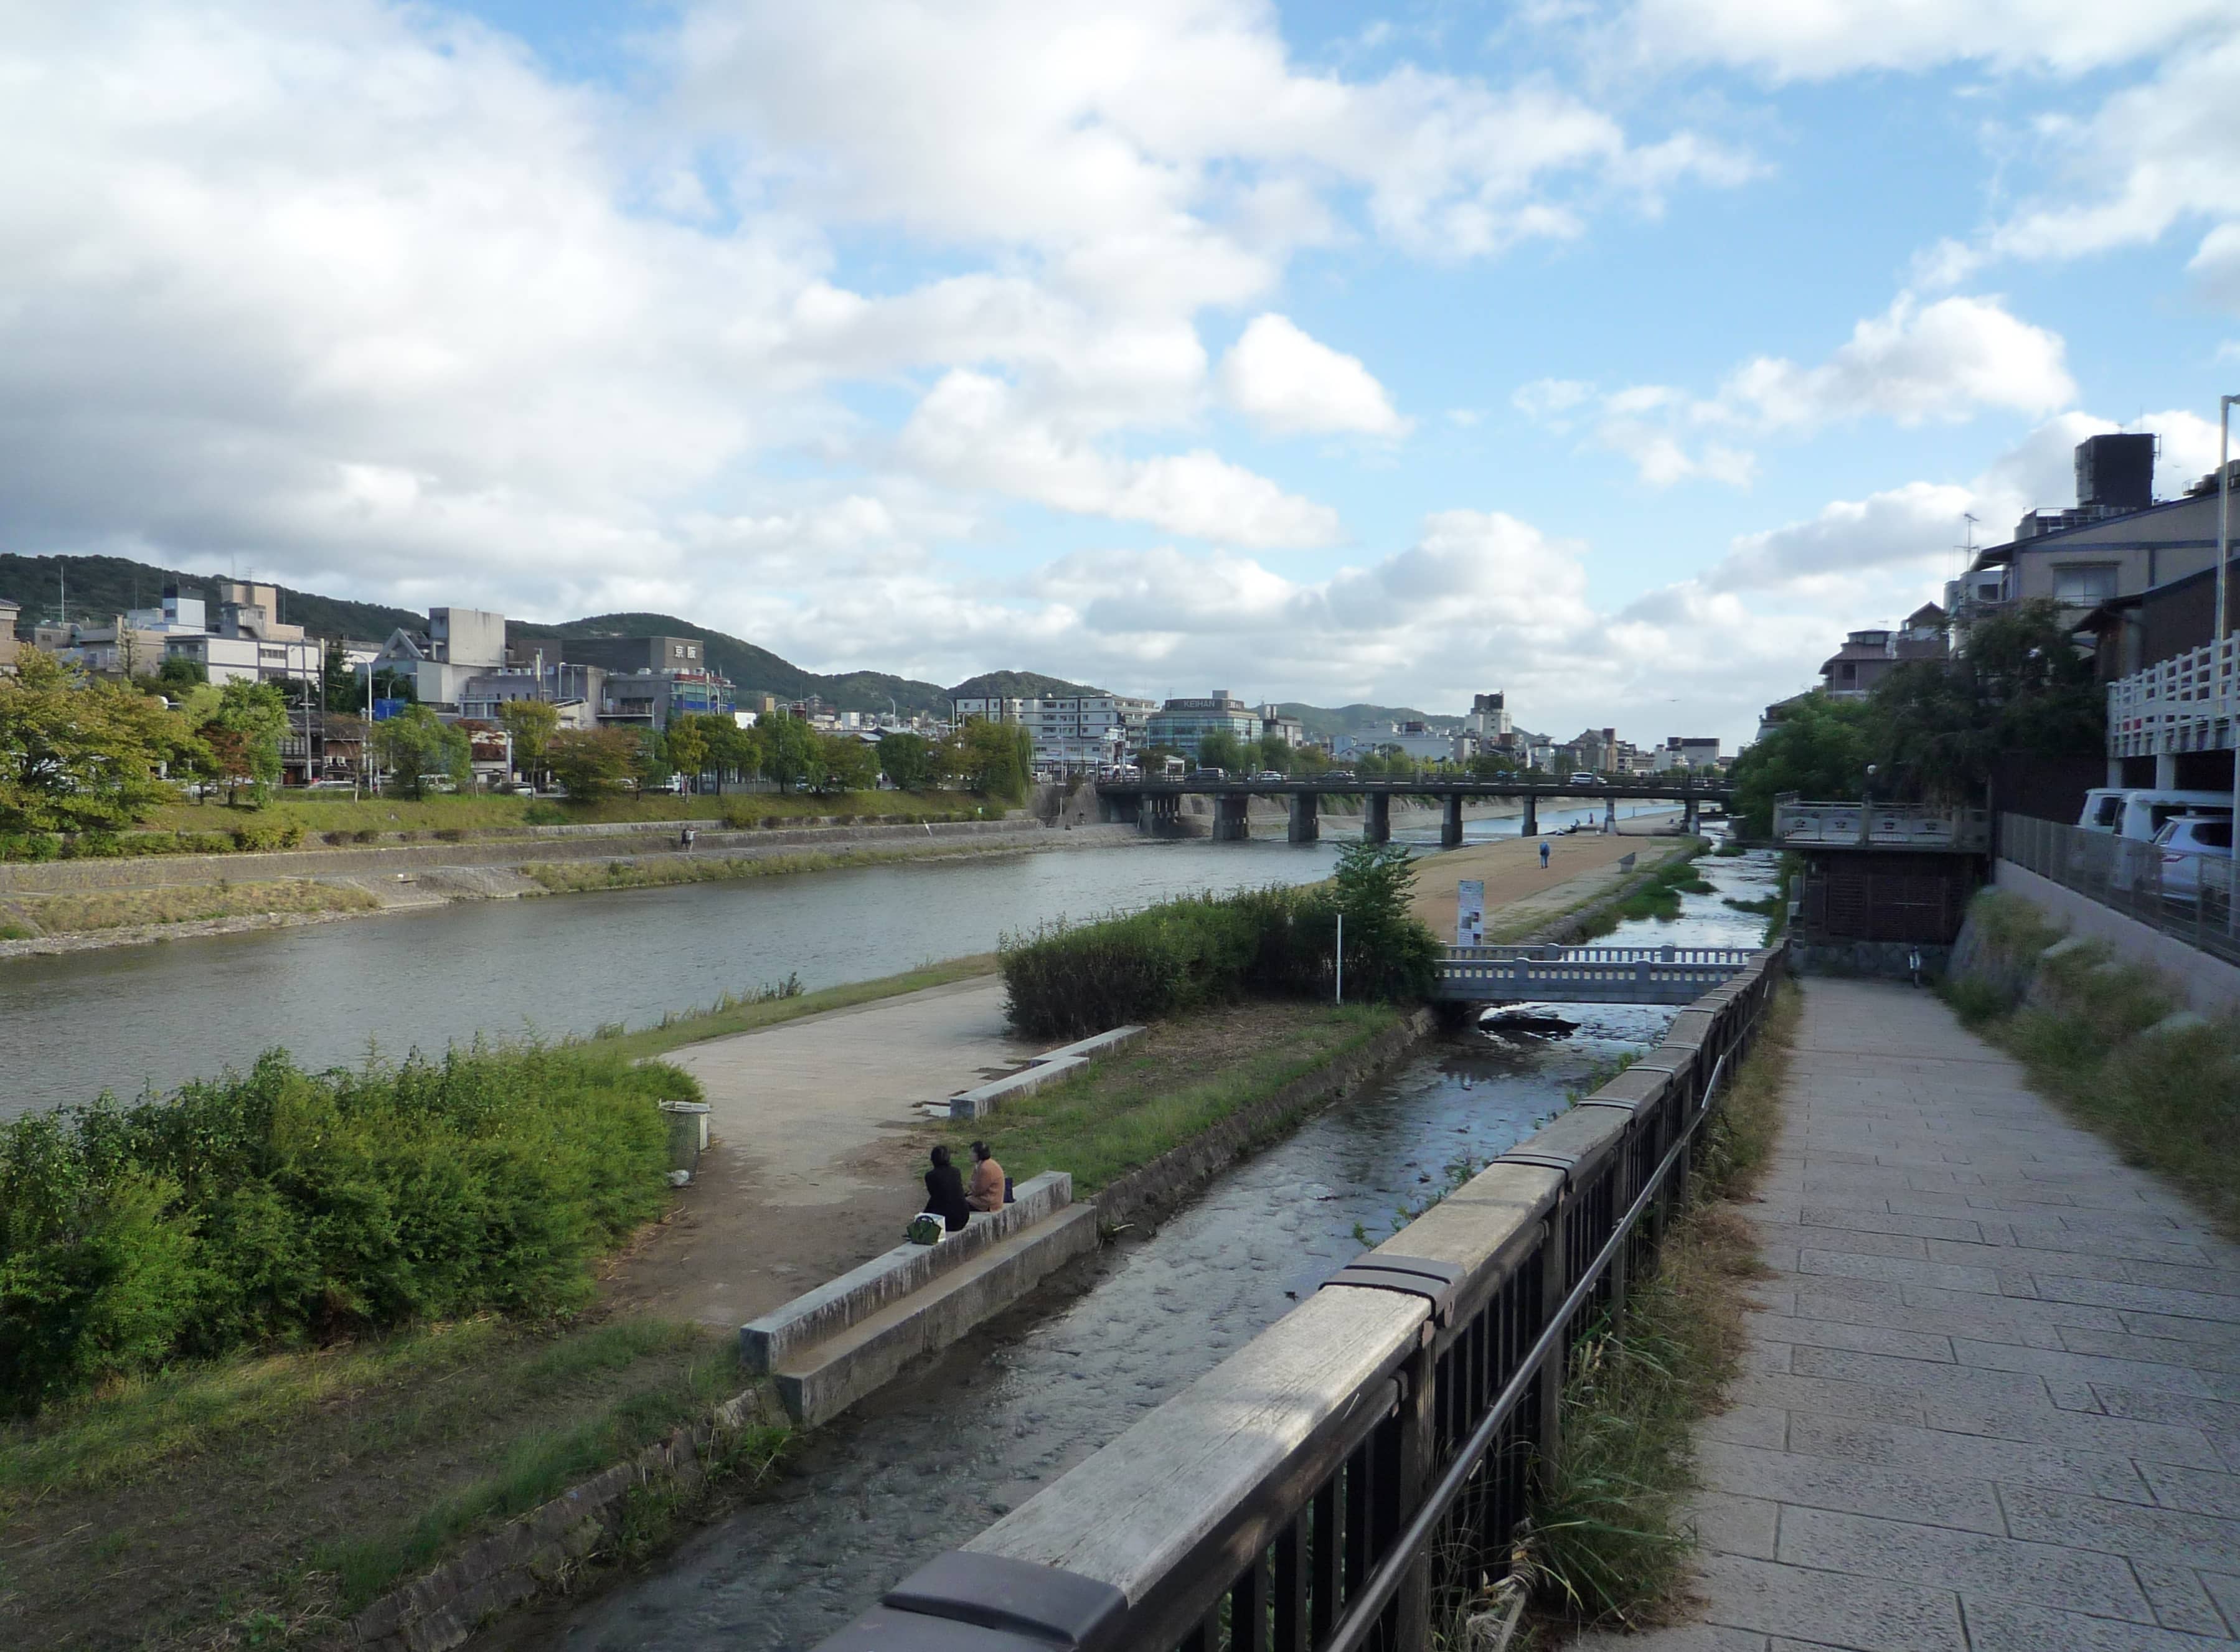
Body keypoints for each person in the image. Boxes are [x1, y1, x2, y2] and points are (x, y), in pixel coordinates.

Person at [922, 1145, 971, 1233]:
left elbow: (935, 1199)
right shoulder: (956, 1172)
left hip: (946, 1220)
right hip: (963, 1216)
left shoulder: (931, 1176)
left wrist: (924, 1215)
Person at [966, 1140, 1005, 1213]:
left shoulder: (985, 1168)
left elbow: (977, 1191)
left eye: (972, 1152)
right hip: (986, 1199)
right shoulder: (983, 1164)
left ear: (979, 1154)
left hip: (988, 1203)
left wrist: (971, 1185)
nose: (969, 1154)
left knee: (957, 1204)